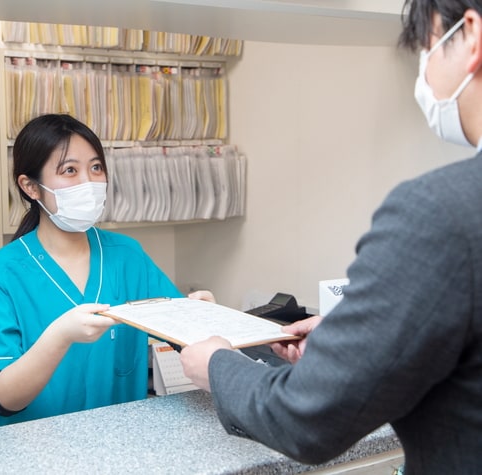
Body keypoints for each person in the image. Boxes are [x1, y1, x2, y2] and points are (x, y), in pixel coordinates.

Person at [180, 1, 482, 473]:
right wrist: (357, 341)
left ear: (470, 36)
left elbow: (307, 419)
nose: (423, 72)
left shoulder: (438, 213)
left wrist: (218, 366)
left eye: (427, 48)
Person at [0, 113, 211, 428]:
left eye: (95, 168)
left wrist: (204, 316)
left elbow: (183, 334)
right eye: (70, 170)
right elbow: (2, 400)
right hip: (32, 448)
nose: (88, 182)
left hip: (114, 442)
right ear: (30, 187)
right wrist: (59, 337)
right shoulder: (5, 270)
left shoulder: (126, 255)